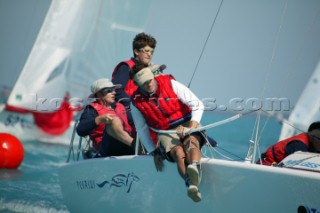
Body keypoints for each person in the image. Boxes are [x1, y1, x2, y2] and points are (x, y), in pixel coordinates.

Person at [129, 62, 208, 202]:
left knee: (191, 143)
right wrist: (153, 152)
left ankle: (194, 167)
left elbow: (197, 104)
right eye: (144, 84)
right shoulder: (135, 102)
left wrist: (191, 126)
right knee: (178, 153)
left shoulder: (170, 83)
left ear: (152, 76)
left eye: (149, 80)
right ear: (138, 85)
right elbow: (141, 129)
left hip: (187, 123)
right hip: (165, 132)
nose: (149, 85)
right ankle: (191, 184)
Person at [76, 78, 137, 158]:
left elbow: (134, 123)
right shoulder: (91, 110)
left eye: (114, 90)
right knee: (114, 120)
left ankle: (147, 148)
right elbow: (80, 130)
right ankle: (136, 146)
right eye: (109, 90)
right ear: (99, 94)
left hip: (126, 146)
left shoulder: (120, 106)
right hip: (107, 149)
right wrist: (100, 119)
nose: (114, 93)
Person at [112, 32, 157, 129]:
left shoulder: (151, 71)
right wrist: (134, 105)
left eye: (152, 52)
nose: (150, 55)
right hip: (127, 110)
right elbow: (116, 89)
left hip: (144, 108)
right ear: (136, 51)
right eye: (146, 51)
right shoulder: (126, 67)